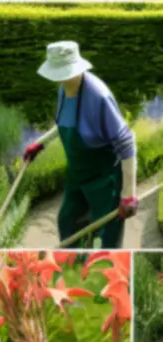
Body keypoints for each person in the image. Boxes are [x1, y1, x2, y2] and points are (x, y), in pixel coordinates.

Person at [23, 42, 137, 248]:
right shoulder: (63, 91)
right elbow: (66, 123)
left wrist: (128, 195)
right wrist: (40, 144)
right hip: (78, 177)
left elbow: (126, 142)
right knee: (67, 222)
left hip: (104, 181)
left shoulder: (98, 97)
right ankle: (72, 267)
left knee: (106, 237)